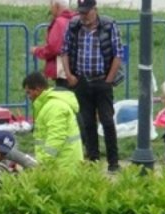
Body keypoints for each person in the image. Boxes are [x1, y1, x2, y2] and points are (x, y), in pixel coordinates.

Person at [60, 0, 123, 173]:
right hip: (82, 81)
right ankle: (94, 160)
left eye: (86, 12)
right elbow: (64, 51)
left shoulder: (108, 25)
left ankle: (113, 163)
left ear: (95, 10)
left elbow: (118, 54)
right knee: (88, 123)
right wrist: (69, 75)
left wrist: (109, 79)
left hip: (102, 80)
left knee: (107, 121)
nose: (83, 16)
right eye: (81, 13)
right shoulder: (74, 26)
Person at [22, 71, 83, 168]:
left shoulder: (54, 107)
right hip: (61, 162)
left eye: (28, 92)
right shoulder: (49, 105)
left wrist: (43, 163)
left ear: (37, 89)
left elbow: (56, 138)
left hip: (63, 165)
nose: (28, 96)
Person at [30, 0, 77, 88]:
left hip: (63, 71)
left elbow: (53, 48)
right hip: (76, 70)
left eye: (51, 5)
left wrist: (37, 51)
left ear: (56, 6)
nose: (50, 9)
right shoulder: (75, 19)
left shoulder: (59, 22)